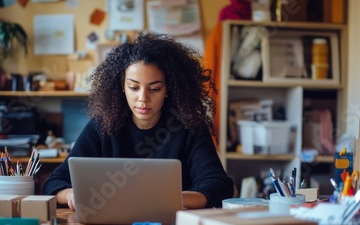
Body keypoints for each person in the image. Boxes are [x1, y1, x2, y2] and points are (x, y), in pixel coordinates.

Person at [43, 32, 234, 210]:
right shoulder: (103, 126)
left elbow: (218, 185)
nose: (143, 98)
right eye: (134, 87)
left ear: (168, 88)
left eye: (155, 89)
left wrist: (172, 200)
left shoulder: (190, 128)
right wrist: (71, 195)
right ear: (122, 86)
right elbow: (54, 183)